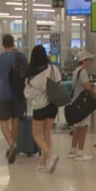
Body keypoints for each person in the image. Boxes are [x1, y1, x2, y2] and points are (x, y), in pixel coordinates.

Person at [24, 45, 60, 173]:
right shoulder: (52, 69)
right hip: (52, 105)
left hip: (40, 107)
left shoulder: (32, 75)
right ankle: (43, 163)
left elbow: (27, 94)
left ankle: (51, 156)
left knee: (37, 135)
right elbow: (58, 82)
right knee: (47, 134)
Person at [0, 34, 27, 164]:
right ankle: (13, 146)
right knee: (15, 119)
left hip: (4, 93)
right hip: (18, 93)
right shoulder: (21, 57)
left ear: (2, 43)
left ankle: (12, 145)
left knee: (3, 122)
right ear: (13, 43)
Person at [68, 49, 96, 161]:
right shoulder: (83, 72)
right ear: (84, 60)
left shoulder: (76, 71)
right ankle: (80, 152)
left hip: (75, 103)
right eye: (89, 60)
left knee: (77, 126)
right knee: (84, 127)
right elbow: (87, 86)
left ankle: (72, 150)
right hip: (83, 104)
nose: (90, 62)